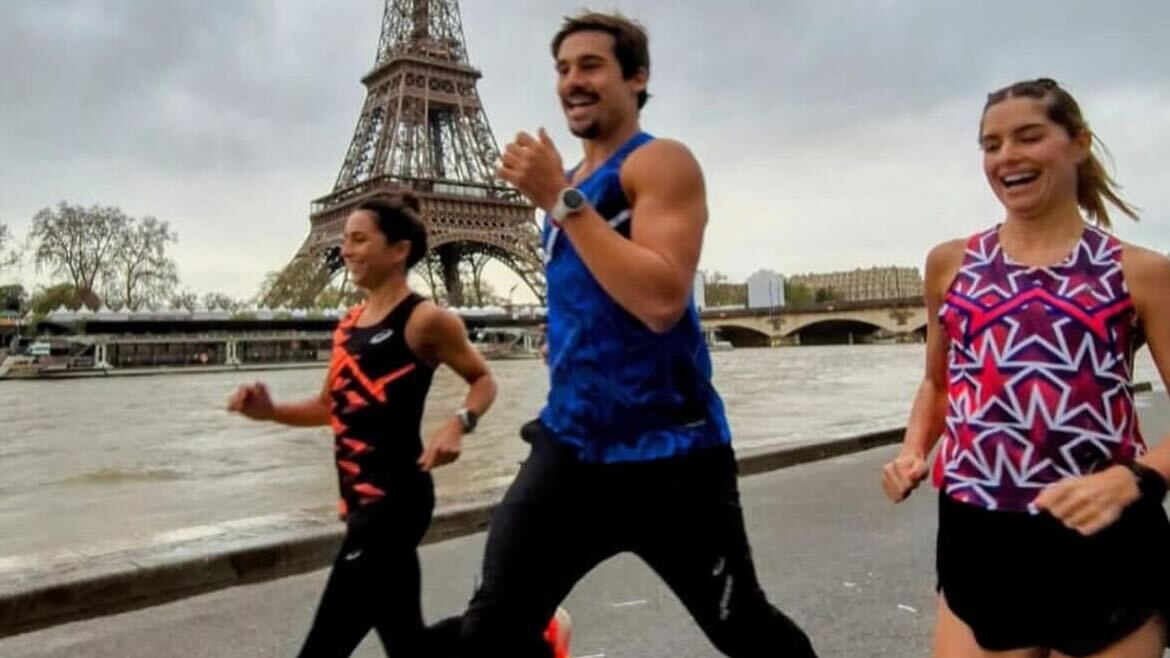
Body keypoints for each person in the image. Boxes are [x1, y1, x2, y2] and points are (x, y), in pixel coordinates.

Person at [428, 10, 816, 658]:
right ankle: (546, 636)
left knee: (744, 629)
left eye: (590, 66)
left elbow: (663, 300)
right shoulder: (571, 189)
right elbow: (594, 296)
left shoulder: (658, 163)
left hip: (672, 456)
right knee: (490, 632)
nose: (572, 81)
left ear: (637, 77)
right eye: (562, 69)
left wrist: (558, 200)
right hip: (571, 448)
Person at [882, 78, 1170, 657]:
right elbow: (939, 382)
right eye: (992, 144)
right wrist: (915, 448)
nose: (1006, 156)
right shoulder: (949, 264)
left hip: (1102, 537)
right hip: (978, 537)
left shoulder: (1139, 273)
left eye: (1028, 137)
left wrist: (1135, 478)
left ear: (1078, 143)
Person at [228, 195, 497, 657]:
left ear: (398, 250)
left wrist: (458, 423)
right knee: (411, 646)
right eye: (344, 240)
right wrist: (270, 412)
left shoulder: (425, 321)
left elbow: (483, 380)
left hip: (394, 502)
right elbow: (330, 406)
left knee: (322, 648)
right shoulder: (348, 325)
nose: (346, 250)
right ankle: (525, 637)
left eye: (358, 239)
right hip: (357, 500)